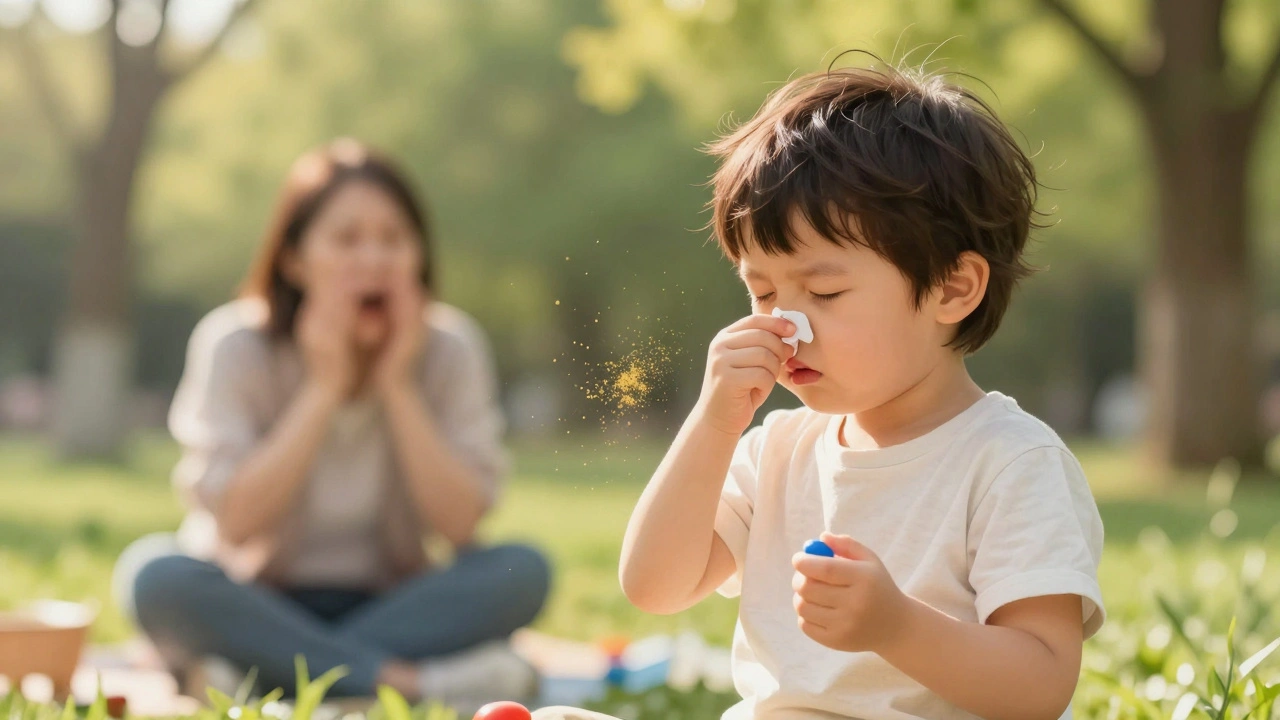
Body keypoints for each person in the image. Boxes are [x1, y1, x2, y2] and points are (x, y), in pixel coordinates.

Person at [548, 61, 1107, 720]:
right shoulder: (777, 450)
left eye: (824, 292)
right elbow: (653, 585)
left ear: (953, 289)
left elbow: (1041, 686)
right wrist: (712, 423)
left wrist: (897, 626)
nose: (785, 323)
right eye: (761, 292)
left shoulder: (1010, 463)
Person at [113, 139, 550, 707]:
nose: (373, 259)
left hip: (399, 602)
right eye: (346, 239)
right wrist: (324, 387)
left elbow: (462, 525)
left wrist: (397, 386)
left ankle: (258, 678)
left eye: (393, 239)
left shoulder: (449, 349)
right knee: (154, 577)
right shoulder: (235, 344)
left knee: (523, 569)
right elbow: (237, 522)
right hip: (260, 599)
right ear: (294, 260)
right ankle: (408, 685)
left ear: (419, 256)